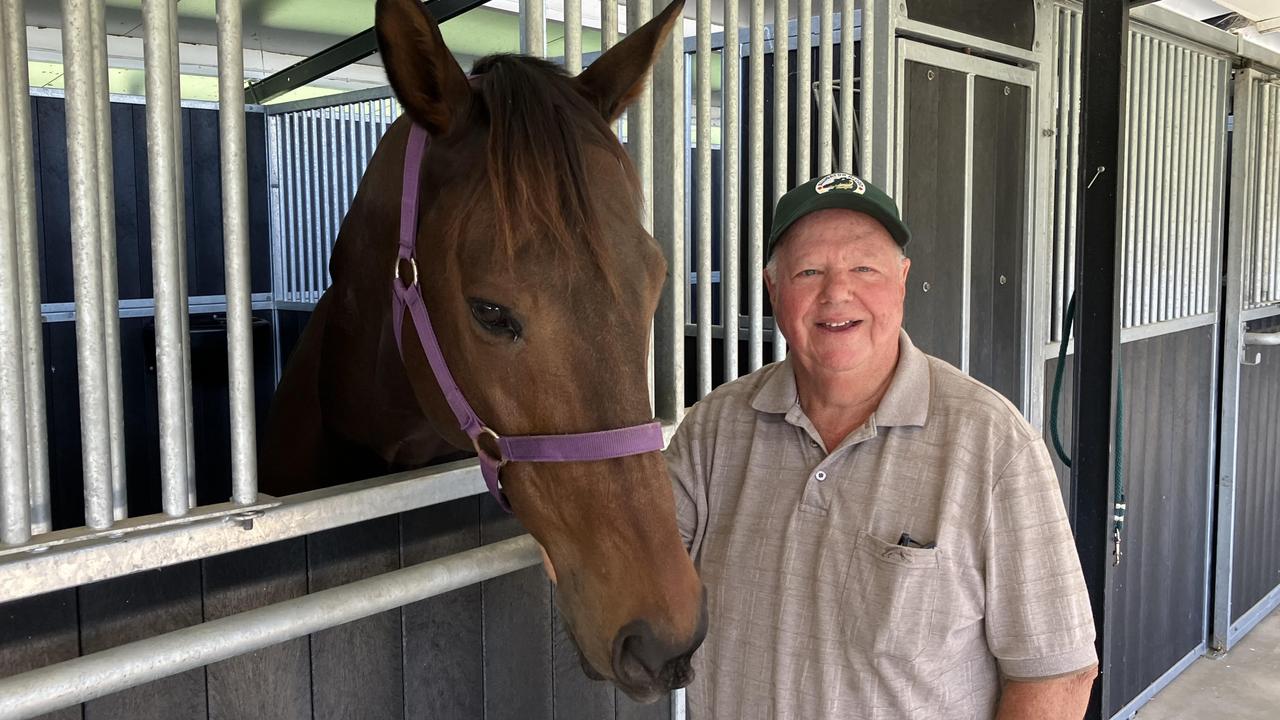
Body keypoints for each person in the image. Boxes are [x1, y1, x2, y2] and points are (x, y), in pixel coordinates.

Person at [665, 172, 1098, 719]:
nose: (836, 292)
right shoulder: (714, 429)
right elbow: (627, 561)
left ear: (902, 279)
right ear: (775, 291)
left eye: (864, 268)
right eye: (809, 271)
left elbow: (1057, 676)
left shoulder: (992, 444)